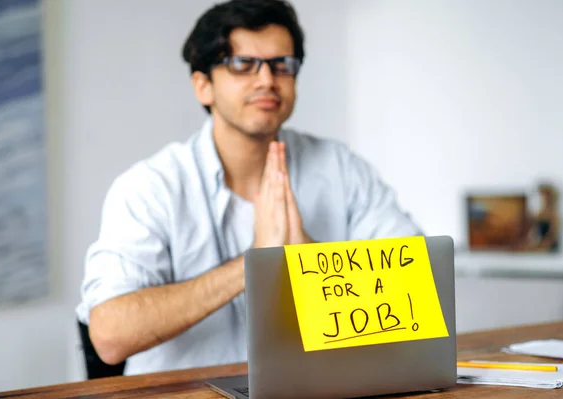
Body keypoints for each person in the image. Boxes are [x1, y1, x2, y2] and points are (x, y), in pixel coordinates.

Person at [76, 0, 421, 376]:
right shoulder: (150, 188)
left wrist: (310, 263)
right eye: (242, 64)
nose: (267, 80)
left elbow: (419, 293)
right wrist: (257, 263)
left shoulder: (341, 169)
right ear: (203, 86)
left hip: (314, 388)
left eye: (281, 65)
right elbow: (109, 336)